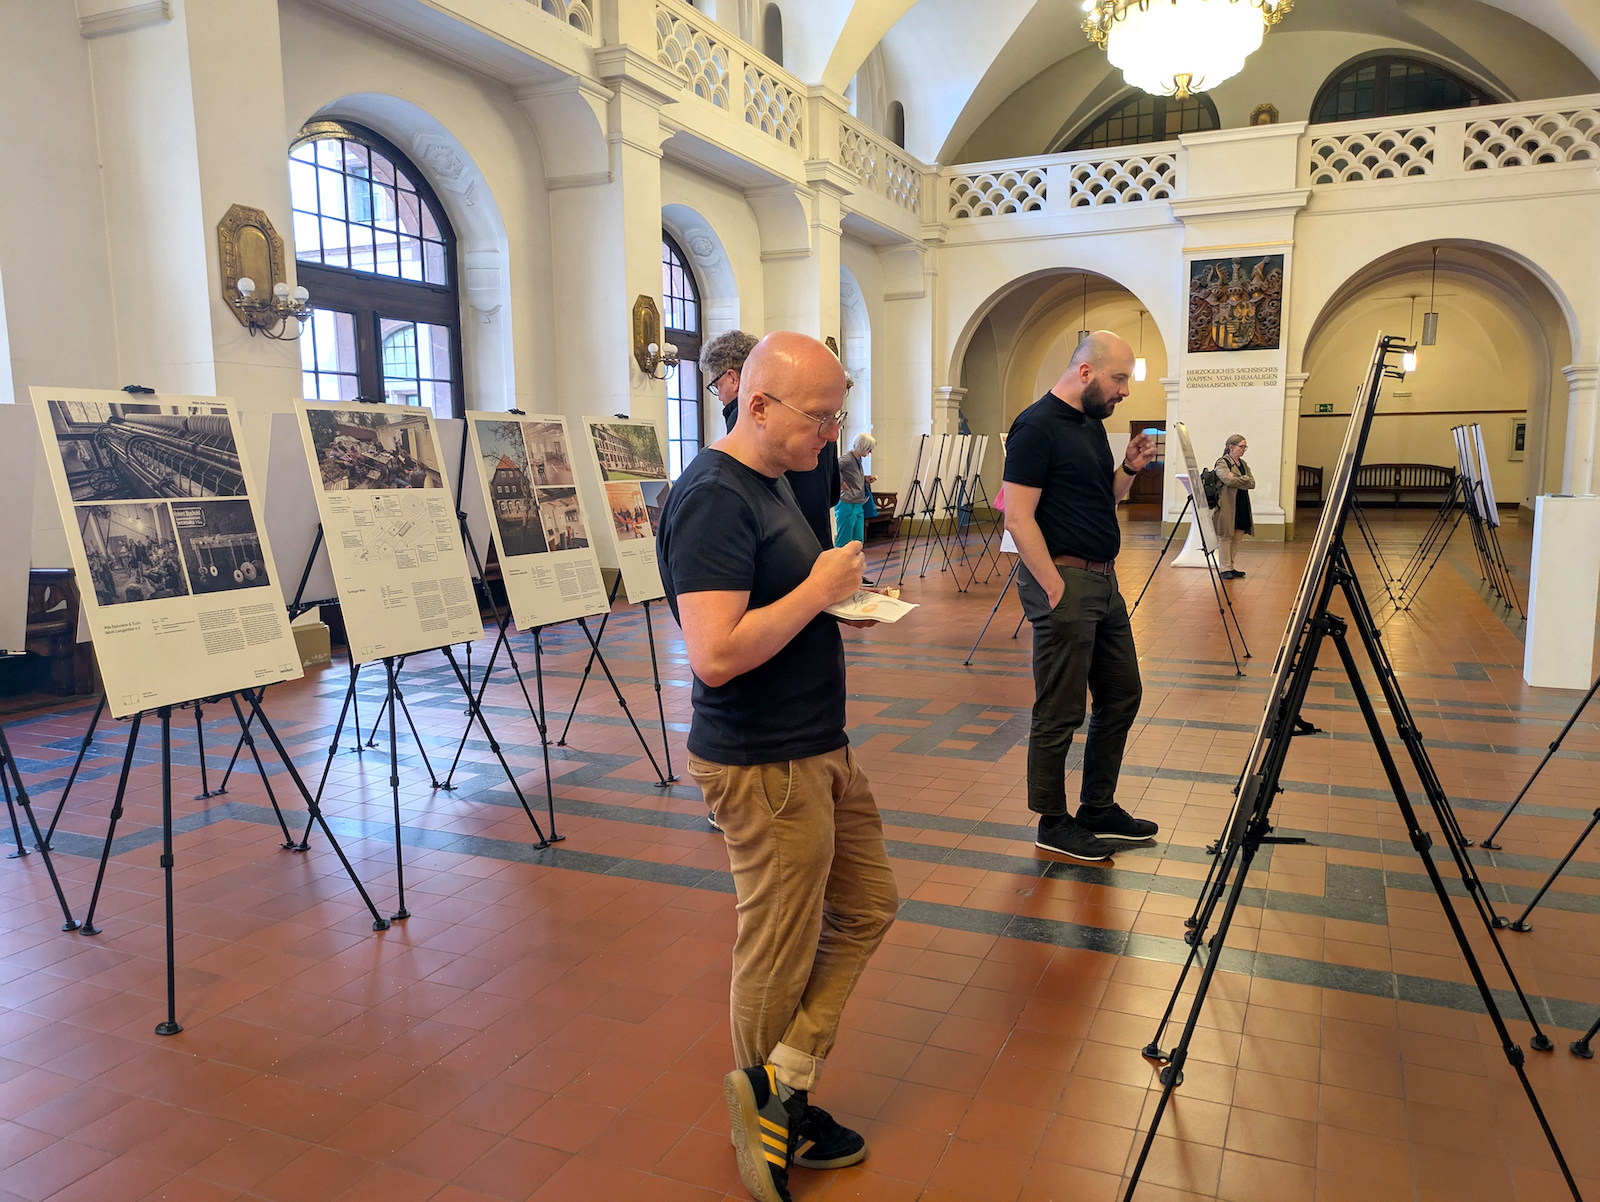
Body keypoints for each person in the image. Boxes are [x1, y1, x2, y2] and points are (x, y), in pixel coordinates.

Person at [657, 331, 897, 1202]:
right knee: (779, 946)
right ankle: (768, 1114)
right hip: (764, 765)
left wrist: (837, 608)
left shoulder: (771, 482)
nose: (831, 435)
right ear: (757, 404)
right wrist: (820, 594)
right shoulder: (713, 498)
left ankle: (782, 1081)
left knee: (870, 904)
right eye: (820, 416)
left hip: (818, 746)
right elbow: (714, 654)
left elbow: (776, 608)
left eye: (838, 414)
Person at [1003, 330, 1162, 863]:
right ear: (1087, 372)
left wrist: (1129, 470)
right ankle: (1053, 820)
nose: (1124, 392)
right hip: (1066, 581)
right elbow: (1018, 516)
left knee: (1122, 694)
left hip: (1105, 580)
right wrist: (1052, 583)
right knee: (1061, 708)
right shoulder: (1035, 427)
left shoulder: (1092, 426)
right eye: (1119, 379)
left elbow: (1102, 499)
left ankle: (1098, 808)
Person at [1212, 433, 1255, 579]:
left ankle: (1231, 565)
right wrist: (1243, 480)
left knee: (1237, 535)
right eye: (1241, 446)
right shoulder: (1222, 462)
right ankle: (1224, 568)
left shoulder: (1243, 464)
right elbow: (1227, 480)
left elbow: (1252, 483)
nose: (1243, 450)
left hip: (1241, 503)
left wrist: (1236, 477)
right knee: (1225, 536)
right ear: (1231, 447)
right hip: (1227, 504)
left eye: (1245, 447)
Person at [834, 432, 876, 550]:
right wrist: (841, 482)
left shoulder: (857, 460)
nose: (870, 452)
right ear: (862, 446)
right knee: (845, 541)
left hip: (857, 503)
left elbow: (852, 475)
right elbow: (833, 468)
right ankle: (840, 567)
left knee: (858, 541)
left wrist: (865, 479)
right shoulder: (847, 459)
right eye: (869, 448)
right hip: (847, 503)